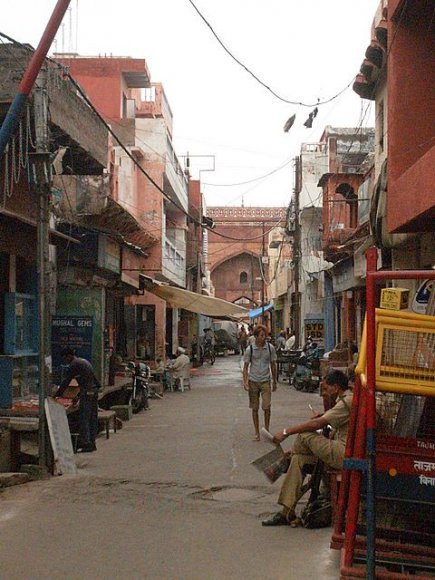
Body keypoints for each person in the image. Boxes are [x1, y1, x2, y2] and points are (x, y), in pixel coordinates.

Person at [261, 370, 353, 526]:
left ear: (336, 387)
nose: (325, 393)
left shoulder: (347, 401)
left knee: (304, 434)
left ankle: (286, 458)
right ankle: (286, 512)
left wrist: (286, 432)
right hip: (339, 448)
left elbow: (317, 424)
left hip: (345, 453)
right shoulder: (344, 400)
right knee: (298, 460)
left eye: (326, 388)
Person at [55, 347, 101, 453]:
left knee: (84, 417)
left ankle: (86, 443)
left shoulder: (74, 364)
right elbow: (91, 379)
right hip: (93, 390)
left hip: (87, 391)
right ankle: (92, 441)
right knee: (92, 417)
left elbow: (66, 381)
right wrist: (79, 396)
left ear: (69, 356)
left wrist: (57, 395)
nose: (65, 361)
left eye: (65, 358)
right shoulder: (83, 361)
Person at [243, 324, 278, 441]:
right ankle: (257, 432)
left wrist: (275, 381)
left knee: (267, 406)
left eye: (265, 335)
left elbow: (273, 365)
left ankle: (266, 429)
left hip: (265, 381)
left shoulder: (270, 348)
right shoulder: (250, 349)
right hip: (253, 381)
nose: (264, 337)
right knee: (255, 408)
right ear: (256, 336)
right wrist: (245, 381)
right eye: (262, 335)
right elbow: (245, 367)